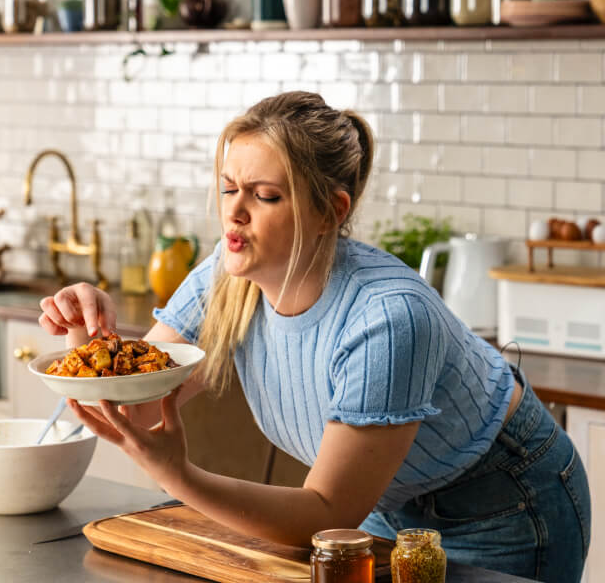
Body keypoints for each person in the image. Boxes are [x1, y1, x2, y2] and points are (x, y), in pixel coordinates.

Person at [39, 91, 590, 583]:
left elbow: (326, 511)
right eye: (229, 187)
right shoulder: (227, 276)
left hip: (504, 507)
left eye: (265, 196)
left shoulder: (387, 318)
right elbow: (136, 409)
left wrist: (178, 475)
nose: (234, 211)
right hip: (381, 502)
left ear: (330, 211)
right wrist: (91, 343)